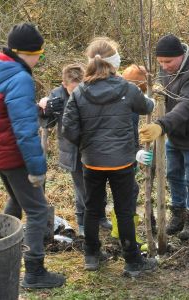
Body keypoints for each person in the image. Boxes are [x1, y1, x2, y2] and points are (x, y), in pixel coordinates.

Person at [0, 22, 65, 288]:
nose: (39, 60)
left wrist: (35, 109)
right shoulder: (20, 77)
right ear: (28, 53)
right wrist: (37, 168)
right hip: (13, 155)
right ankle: (34, 272)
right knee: (37, 210)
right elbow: (24, 132)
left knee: (16, 200)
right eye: (40, 55)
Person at [61, 37, 157, 276]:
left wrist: (87, 145)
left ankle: (91, 255)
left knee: (92, 208)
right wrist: (152, 100)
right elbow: (146, 107)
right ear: (115, 62)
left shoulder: (80, 92)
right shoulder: (127, 88)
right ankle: (133, 261)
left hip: (92, 162)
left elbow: (69, 130)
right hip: (122, 161)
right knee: (124, 210)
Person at [138, 34, 189, 240]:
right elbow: (164, 93)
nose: (164, 66)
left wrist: (161, 125)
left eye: (168, 61)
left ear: (180, 56)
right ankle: (177, 215)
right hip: (174, 134)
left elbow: (186, 105)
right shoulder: (166, 71)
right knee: (173, 174)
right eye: (160, 62)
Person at [37, 64, 111, 237]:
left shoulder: (92, 91)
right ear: (64, 84)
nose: (77, 93)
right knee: (82, 188)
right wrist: (43, 109)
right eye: (73, 90)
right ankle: (82, 221)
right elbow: (46, 123)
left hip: (94, 147)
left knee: (98, 183)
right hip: (72, 151)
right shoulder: (57, 95)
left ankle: (100, 216)